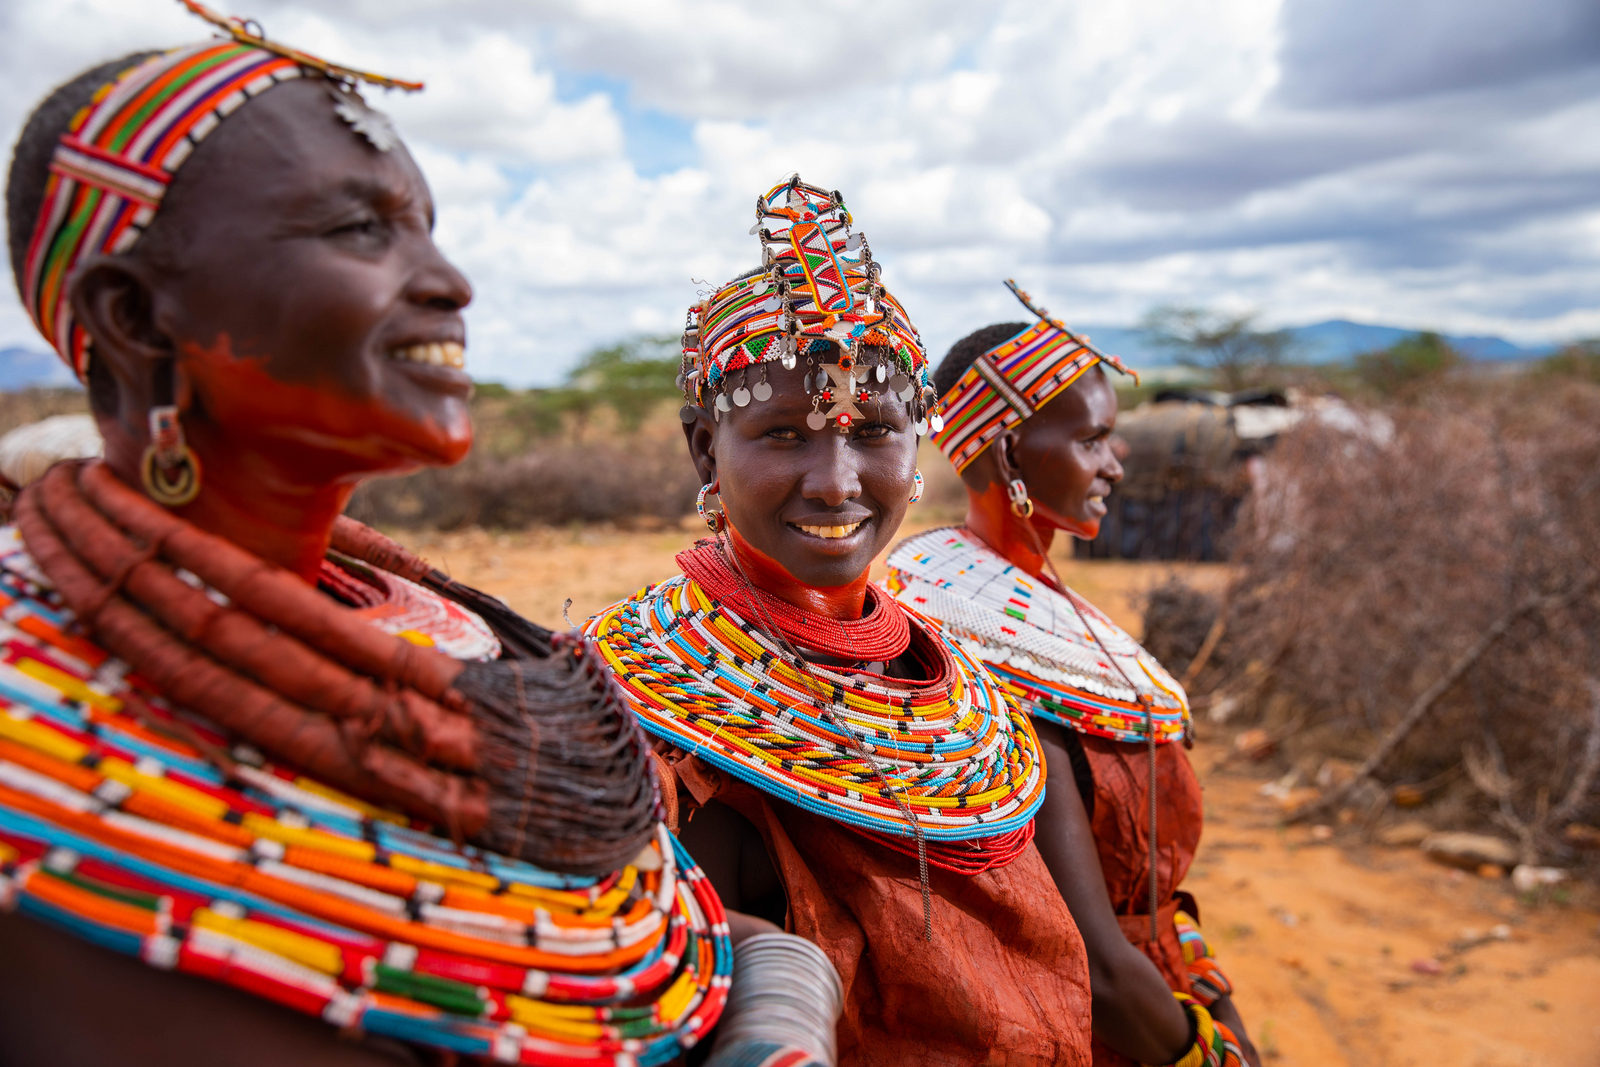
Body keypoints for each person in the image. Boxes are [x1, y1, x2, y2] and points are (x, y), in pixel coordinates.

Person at [0, 13, 739, 1065]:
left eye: (428, 224)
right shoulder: (32, 741)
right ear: (132, 317)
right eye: (360, 229)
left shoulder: (462, 642)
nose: (450, 280)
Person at [588, 177, 1095, 1067]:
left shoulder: (961, 680)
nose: (835, 480)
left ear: (918, 445)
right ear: (706, 449)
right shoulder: (642, 718)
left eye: (873, 431)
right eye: (784, 433)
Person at [884, 281, 1259, 1067]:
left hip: (1164, 984)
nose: (1117, 464)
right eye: (1093, 440)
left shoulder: (1042, 609)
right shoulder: (976, 646)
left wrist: (1206, 986)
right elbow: (1094, 960)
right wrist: (1212, 1051)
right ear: (1007, 450)